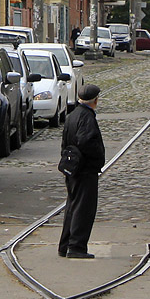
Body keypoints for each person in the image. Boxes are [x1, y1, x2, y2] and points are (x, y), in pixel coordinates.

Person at [58, 83, 104, 259]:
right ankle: (76, 246)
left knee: (72, 205)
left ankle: (65, 245)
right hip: (85, 169)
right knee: (83, 208)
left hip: (73, 167)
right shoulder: (87, 117)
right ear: (95, 100)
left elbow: (65, 142)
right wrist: (97, 157)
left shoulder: (72, 115)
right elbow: (86, 141)